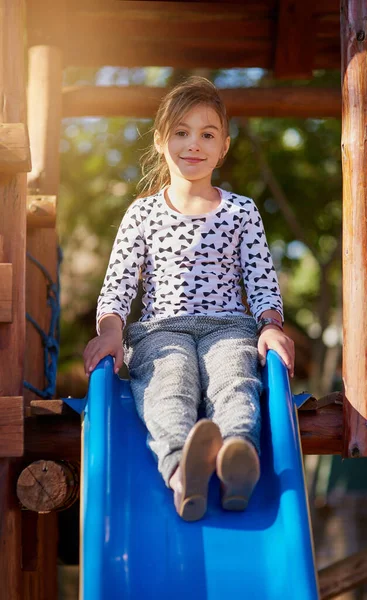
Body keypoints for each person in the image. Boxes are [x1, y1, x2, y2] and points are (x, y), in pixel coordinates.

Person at [83, 77, 295, 522]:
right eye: (181, 132)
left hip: (228, 327)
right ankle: (182, 469)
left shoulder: (241, 211)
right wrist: (110, 331)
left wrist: (271, 324)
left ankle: (238, 455)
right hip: (163, 329)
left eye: (207, 134)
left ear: (224, 146)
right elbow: (120, 280)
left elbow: (260, 280)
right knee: (169, 383)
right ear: (161, 141)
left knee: (234, 377)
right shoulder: (143, 212)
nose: (193, 144)